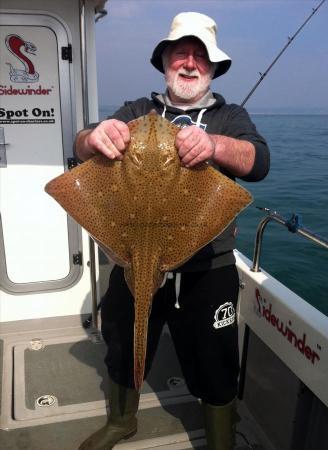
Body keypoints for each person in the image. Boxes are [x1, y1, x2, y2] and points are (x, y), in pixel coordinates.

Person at [76, 12, 270, 450]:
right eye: (180, 52)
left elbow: (259, 161)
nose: (189, 62)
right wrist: (93, 136)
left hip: (208, 262)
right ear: (164, 60)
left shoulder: (229, 115)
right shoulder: (134, 112)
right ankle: (122, 420)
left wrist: (215, 145)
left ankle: (221, 438)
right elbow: (81, 144)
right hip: (131, 252)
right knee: (123, 340)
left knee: (215, 357)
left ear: (213, 68)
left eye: (200, 56)